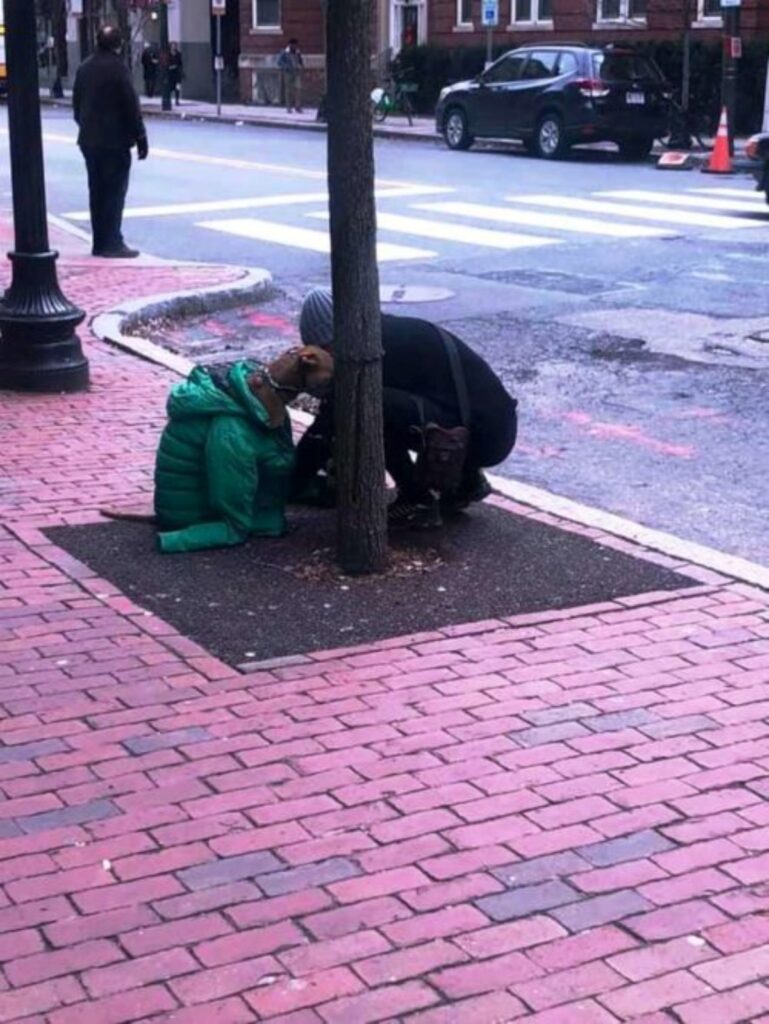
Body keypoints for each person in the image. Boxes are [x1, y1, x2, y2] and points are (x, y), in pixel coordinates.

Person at [294, 288, 518, 529]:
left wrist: (291, 483)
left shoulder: (370, 354)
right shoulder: (388, 331)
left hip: (482, 439)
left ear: (334, 338)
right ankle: (465, 482)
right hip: (495, 427)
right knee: (390, 405)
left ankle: (417, 499)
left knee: (362, 405)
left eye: (325, 350)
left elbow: (328, 423)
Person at [72, 25, 148, 259]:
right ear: (119, 44)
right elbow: (131, 107)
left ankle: (99, 242)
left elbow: (77, 106)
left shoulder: (84, 68)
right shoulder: (119, 70)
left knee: (96, 191)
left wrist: (87, 127)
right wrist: (141, 137)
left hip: (89, 141)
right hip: (114, 142)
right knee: (114, 192)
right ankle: (112, 241)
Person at [277, 38, 303, 114]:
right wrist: (286, 67)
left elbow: (300, 60)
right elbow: (279, 62)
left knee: (298, 89)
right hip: (288, 73)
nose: (295, 47)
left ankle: (297, 107)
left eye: (296, 45)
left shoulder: (297, 52)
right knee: (288, 91)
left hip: (296, 72)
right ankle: (288, 107)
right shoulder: (284, 52)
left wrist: (301, 66)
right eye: (293, 45)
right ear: (290, 45)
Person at [167, 42, 184, 106]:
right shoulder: (168, 54)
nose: (174, 47)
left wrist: (179, 69)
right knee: (170, 87)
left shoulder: (178, 54)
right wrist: (169, 67)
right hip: (170, 74)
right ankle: (169, 100)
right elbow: (166, 63)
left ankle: (177, 100)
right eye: (173, 46)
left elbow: (180, 63)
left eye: (175, 46)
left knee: (177, 87)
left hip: (177, 73)